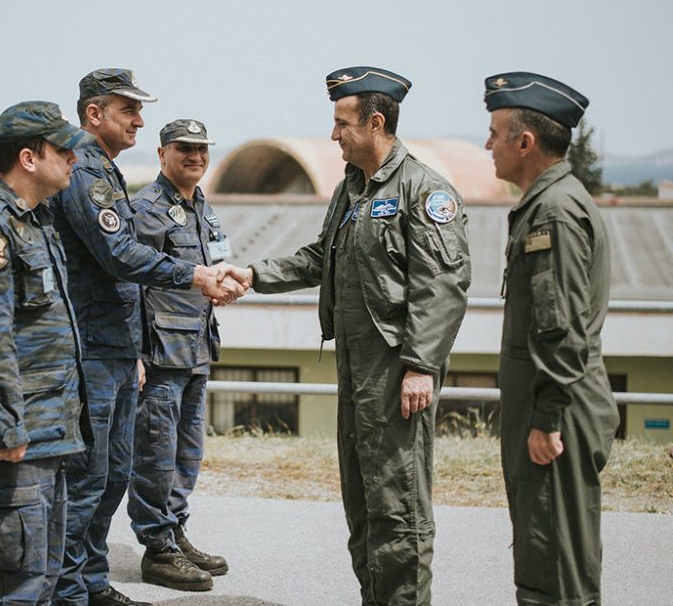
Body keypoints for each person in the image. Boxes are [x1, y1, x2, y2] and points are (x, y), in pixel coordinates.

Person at [220, 66, 471, 605]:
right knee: (362, 504)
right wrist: (255, 274)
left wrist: (421, 366)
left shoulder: (423, 190)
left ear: (375, 123)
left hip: (396, 372)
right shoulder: (350, 189)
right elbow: (320, 257)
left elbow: (443, 286)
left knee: (399, 505)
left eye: (342, 123)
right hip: (356, 372)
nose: (333, 134)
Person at [50, 69, 242, 606]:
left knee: (112, 475)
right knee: (91, 478)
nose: (138, 120)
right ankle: (72, 588)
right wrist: (195, 276)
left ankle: (90, 582)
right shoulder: (86, 171)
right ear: (94, 114)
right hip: (96, 347)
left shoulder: (108, 171)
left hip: (121, 345)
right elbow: (120, 256)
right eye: (128, 110)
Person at [0, 101, 95, 606]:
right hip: (15, 441)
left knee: (43, 579)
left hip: (49, 432)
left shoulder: (38, 221)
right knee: (10, 586)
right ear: (28, 158)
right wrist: (7, 428)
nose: (74, 158)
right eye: (64, 149)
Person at [483, 72, 618, 606]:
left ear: (525, 142)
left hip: (557, 408)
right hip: (551, 402)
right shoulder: (549, 202)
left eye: (494, 134)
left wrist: (547, 418)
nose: (488, 145)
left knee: (556, 567)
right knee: (546, 557)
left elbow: (561, 327)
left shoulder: (554, 211)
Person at [127, 119, 230, 592]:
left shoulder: (201, 206)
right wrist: (135, 352)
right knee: (156, 455)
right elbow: (128, 283)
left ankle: (174, 531)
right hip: (161, 355)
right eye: (184, 148)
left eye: (202, 149)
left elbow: (209, 266)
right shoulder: (146, 209)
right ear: (162, 153)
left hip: (196, 349)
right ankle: (157, 548)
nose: (195, 156)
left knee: (187, 453)